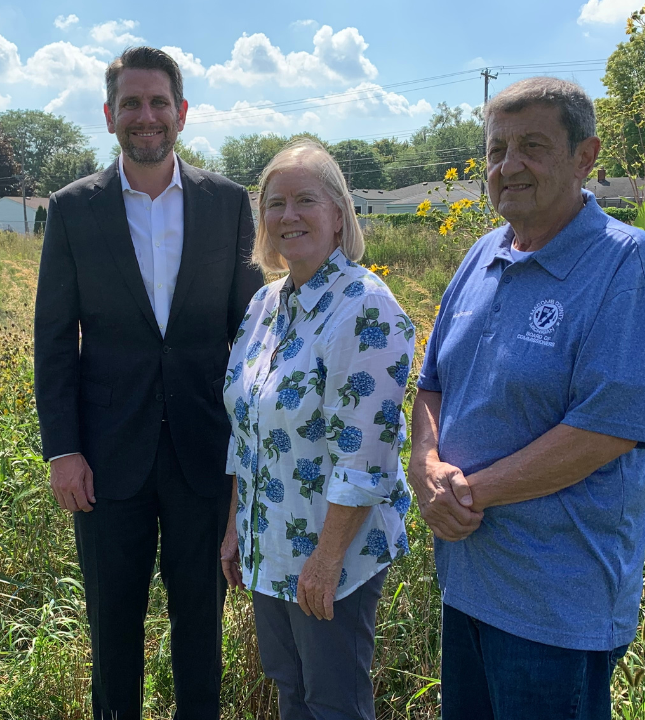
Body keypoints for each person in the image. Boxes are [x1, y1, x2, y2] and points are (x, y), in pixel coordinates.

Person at [408, 77, 645, 720]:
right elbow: (433, 382)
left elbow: (605, 429)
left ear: (585, 156)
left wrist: (469, 493)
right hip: (469, 579)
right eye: (497, 149)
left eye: (533, 145)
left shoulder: (624, 262)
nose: (509, 165)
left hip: (556, 602)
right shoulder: (482, 255)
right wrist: (423, 464)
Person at [34, 47, 264, 720]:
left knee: (202, 623)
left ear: (182, 112)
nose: (146, 116)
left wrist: (247, 455)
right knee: (113, 625)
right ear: (109, 117)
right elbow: (54, 338)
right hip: (106, 458)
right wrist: (62, 449)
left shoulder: (227, 204)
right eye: (131, 103)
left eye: (159, 102)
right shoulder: (74, 209)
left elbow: (247, 335)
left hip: (204, 452)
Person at [220, 139, 415, 720]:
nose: (289, 215)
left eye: (306, 199)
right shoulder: (265, 304)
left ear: (338, 214)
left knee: (333, 703)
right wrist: (235, 527)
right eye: (274, 204)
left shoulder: (364, 307)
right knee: (290, 690)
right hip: (269, 546)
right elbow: (246, 426)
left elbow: (366, 456)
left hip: (330, 554)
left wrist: (325, 560)